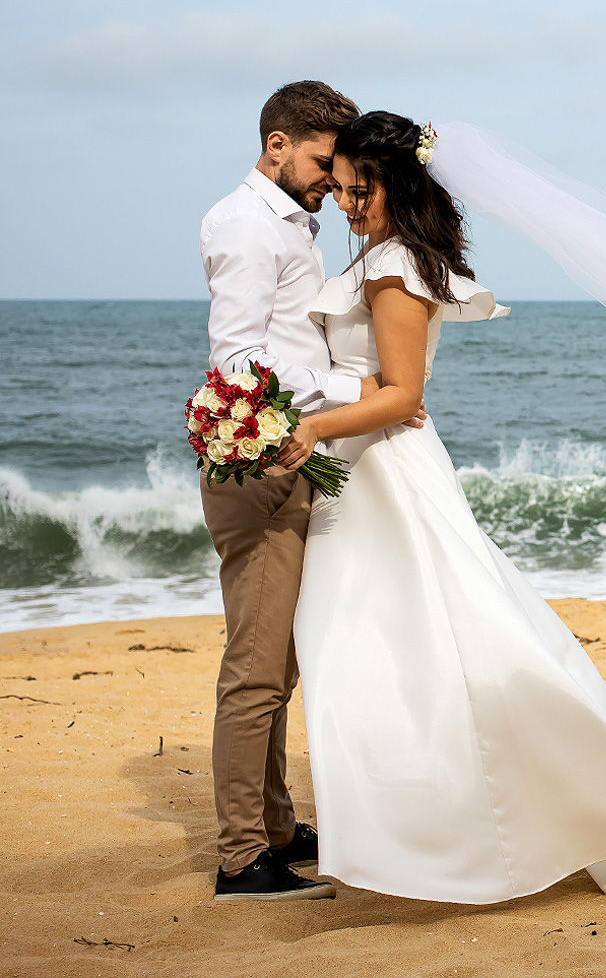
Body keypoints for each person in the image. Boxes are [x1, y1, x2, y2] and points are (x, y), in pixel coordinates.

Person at [274, 111, 606, 904]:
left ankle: (460, 829)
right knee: (398, 653)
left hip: (386, 478)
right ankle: (415, 829)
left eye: (357, 191)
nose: (345, 204)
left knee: (419, 647)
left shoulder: (392, 266)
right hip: (371, 472)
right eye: (340, 190)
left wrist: (311, 426)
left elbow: (402, 395)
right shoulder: (391, 256)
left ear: (397, 185)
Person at [198, 80, 425, 902]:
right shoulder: (245, 224)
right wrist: (350, 393)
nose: (335, 181)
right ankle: (238, 858)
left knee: (279, 665)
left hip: (289, 453)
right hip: (260, 458)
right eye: (325, 163)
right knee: (255, 669)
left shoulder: (294, 225)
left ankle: (277, 827)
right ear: (277, 146)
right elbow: (237, 359)